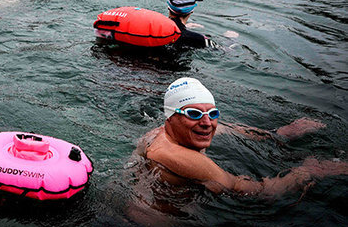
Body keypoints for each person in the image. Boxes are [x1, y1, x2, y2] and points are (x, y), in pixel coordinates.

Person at [134, 77, 348, 196]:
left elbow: (229, 128)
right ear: (170, 117)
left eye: (213, 113)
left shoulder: (160, 133)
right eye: (194, 114)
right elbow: (256, 192)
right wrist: (311, 171)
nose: (207, 123)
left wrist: (279, 134)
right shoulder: (184, 158)